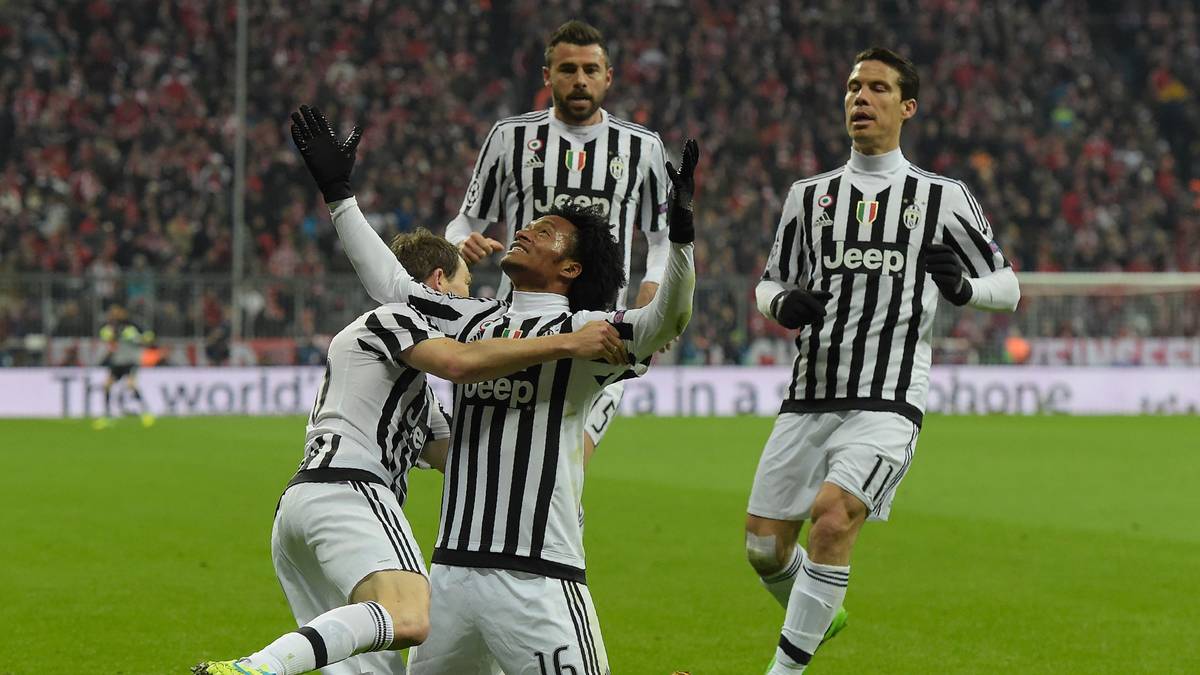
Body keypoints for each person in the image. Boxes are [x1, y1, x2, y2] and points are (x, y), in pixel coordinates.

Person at [293, 103, 698, 674]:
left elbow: (667, 320)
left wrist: (680, 239)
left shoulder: (590, 333)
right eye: (530, 224)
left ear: (571, 270)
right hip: (453, 575)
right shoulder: (472, 321)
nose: (527, 230)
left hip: (538, 576)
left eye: (548, 232)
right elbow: (391, 282)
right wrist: (339, 194)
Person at [193, 214, 628, 673]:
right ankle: (259, 667)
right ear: (438, 283)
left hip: (301, 508)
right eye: (463, 288)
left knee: (373, 659)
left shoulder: (409, 384)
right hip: (351, 490)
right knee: (410, 613)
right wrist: (566, 343)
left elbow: (460, 454)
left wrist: (577, 420)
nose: (469, 308)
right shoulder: (394, 317)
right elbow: (460, 361)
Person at [747, 48, 1021, 674]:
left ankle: (784, 670)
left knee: (833, 517)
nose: (860, 98)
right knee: (764, 548)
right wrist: (783, 302)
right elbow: (767, 284)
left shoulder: (942, 197)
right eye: (852, 87)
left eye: (876, 88)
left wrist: (962, 291)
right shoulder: (808, 197)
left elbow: (1007, 286)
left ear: (907, 107)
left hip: (888, 397)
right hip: (810, 391)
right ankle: (817, 611)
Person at [447, 19, 674, 467]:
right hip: (515, 329)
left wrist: (654, 289)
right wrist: (462, 243)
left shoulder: (642, 147)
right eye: (567, 69)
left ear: (608, 76)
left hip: (601, 332)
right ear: (547, 75)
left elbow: (663, 239)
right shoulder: (509, 137)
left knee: (565, 464)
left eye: (591, 69)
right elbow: (463, 221)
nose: (580, 80)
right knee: (498, 463)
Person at [92, 304, 155, 429]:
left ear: (123, 311)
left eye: (116, 311)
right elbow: (110, 342)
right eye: (112, 311)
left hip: (131, 360)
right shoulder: (111, 326)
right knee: (107, 385)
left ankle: (146, 413)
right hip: (118, 361)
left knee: (131, 385)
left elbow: (149, 338)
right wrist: (108, 338)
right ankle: (107, 417)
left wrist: (137, 338)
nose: (114, 314)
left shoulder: (134, 324)